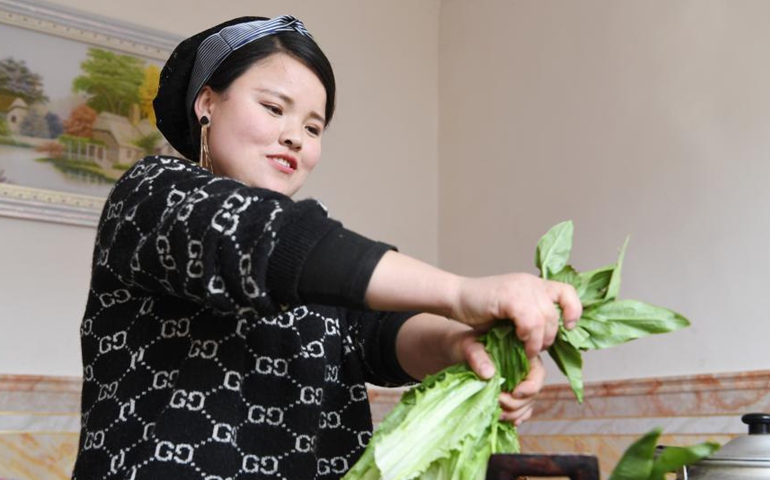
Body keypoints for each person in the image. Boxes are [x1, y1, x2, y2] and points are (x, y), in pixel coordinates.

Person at [71, 15, 582, 480]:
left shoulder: (322, 261)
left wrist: (459, 346)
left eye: (313, 127)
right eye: (274, 108)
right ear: (207, 102)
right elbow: (264, 240)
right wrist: (462, 292)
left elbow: (382, 335)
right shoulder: (155, 192)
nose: (295, 136)